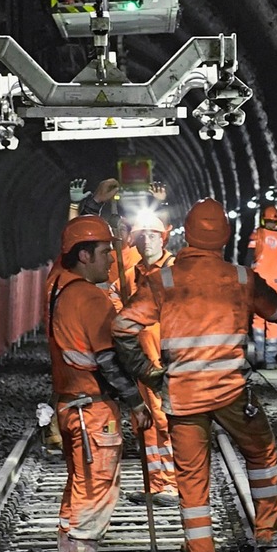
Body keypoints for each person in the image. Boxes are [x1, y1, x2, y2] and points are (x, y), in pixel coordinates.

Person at [113, 198, 277, 552]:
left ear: (188, 232)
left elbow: (122, 325)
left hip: (183, 396)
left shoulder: (164, 280)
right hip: (232, 392)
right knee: (261, 452)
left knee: (192, 484)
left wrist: (146, 371)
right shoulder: (241, 277)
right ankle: (267, 530)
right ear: (226, 235)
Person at [48, 216, 152, 552]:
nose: (112, 259)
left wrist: (91, 207)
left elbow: (59, 256)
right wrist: (137, 402)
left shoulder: (57, 285)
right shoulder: (89, 298)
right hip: (93, 409)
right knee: (96, 487)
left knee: (79, 485)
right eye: (106, 251)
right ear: (85, 254)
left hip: (68, 405)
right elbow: (109, 360)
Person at [111, 212, 179, 508]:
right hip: (140, 362)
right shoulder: (131, 277)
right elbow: (113, 298)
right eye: (141, 236)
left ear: (164, 237)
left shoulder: (177, 271)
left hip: (169, 362)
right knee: (146, 423)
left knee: (169, 424)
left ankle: (174, 485)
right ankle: (156, 484)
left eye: (152, 235)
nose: (146, 241)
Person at [246, 205, 277, 368]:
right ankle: (271, 359)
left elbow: (248, 258)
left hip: (259, 282)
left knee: (258, 319)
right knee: (274, 320)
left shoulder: (257, 235)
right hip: (276, 283)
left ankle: (259, 355)